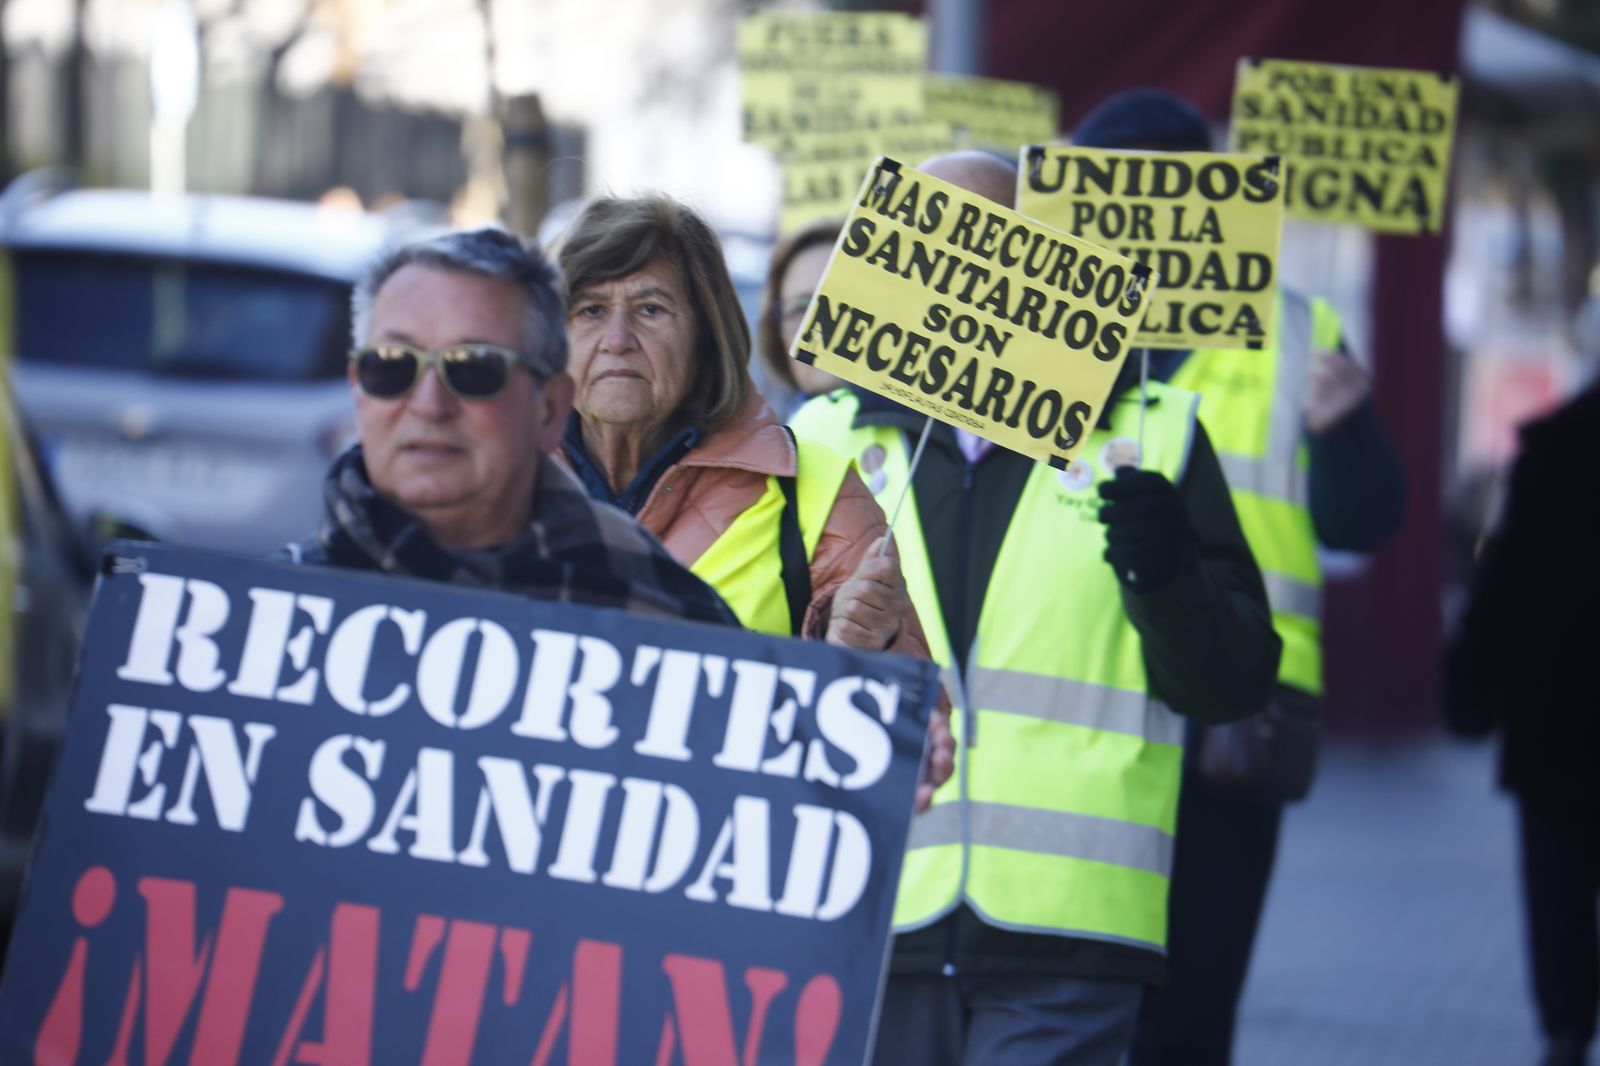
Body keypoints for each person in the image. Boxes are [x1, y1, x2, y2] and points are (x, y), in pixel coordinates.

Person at [792, 150, 1282, 1066]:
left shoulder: (1152, 435)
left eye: (989, 242)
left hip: (1072, 936)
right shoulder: (820, 438)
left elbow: (1233, 681)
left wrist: (1167, 573)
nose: (958, 269)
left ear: (1040, 257)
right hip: (868, 915)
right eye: (924, 242)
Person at [1059, 89, 1406, 1066]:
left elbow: (1365, 521)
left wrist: (1346, 433)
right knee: (1080, 1002)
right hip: (1077, 702)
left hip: (1232, 716)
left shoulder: (1300, 329)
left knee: (1192, 1011)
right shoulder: (1036, 327)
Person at [285, 226, 740, 628]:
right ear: (358, 389)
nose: (429, 404)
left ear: (549, 407)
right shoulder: (260, 621)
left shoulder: (670, 618)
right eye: (392, 366)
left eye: (475, 368)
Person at [1445, 379, 1600, 1066]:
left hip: (1557, 722)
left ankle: (1566, 1033)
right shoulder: (1550, 451)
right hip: (1557, 722)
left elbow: (1507, 587)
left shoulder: (1554, 452)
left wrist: (1470, 692)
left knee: (1558, 891)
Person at [757, 217, 845, 415]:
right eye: (801, 308)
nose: (822, 323)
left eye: (842, 302)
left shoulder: (925, 437)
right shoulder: (770, 443)